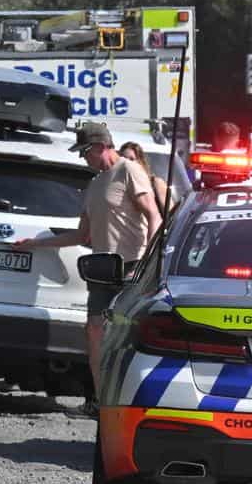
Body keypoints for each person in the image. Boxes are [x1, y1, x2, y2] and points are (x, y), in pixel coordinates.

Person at [13, 123, 164, 417]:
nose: (83, 158)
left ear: (100, 147)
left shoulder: (128, 170)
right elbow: (82, 236)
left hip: (131, 267)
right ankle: (99, 401)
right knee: (94, 330)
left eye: (85, 152)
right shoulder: (95, 184)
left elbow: (154, 215)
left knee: (128, 333)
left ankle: (133, 401)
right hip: (101, 268)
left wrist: (146, 262)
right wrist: (36, 244)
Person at [119, 141, 172, 216]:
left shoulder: (156, 183)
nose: (127, 163)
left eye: (131, 159)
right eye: (124, 160)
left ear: (140, 161)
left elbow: (171, 217)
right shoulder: (118, 187)